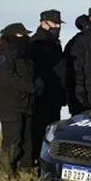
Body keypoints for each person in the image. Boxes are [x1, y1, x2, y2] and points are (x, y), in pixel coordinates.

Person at [0, 22, 40, 175]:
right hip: (10, 106)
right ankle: (6, 177)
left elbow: (32, 74)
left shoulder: (26, 55)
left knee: (27, 143)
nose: (24, 37)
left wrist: (38, 84)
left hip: (26, 104)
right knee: (13, 143)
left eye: (25, 35)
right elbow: (6, 78)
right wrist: (30, 86)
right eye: (20, 35)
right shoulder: (4, 54)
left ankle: (24, 177)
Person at [30, 9, 66, 163]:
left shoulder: (56, 45)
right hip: (40, 100)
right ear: (43, 23)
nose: (57, 27)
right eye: (54, 23)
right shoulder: (34, 44)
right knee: (37, 135)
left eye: (59, 24)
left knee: (51, 136)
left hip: (55, 99)